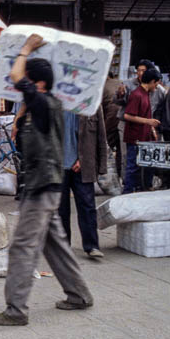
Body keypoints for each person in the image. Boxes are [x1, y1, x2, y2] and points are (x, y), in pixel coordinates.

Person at [0, 34, 93, 327]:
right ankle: (79, 295)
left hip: (41, 186)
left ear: (39, 83)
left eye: (27, 82)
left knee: (23, 246)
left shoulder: (44, 103)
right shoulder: (41, 105)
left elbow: (15, 74)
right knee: (55, 244)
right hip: (45, 185)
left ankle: (16, 310)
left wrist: (25, 49)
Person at [59, 107, 108, 260]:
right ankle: (62, 246)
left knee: (87, 206)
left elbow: (101, 136)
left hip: (82, 165)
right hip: (58, 165)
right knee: (60, 209)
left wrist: (94, 163)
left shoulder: (91, 103)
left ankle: (91, 245)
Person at [122, 68, 161, 194]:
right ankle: (127, 193)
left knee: (140, 167)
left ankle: (136, 191)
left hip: (143, 137)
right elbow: (127, 115)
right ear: (152, 81)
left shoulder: (145, 94)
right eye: (156, 83)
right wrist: (148, 122)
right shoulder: (137, 94)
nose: (157, 86)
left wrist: (151, 129)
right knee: (132, 167)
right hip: (135, 138)